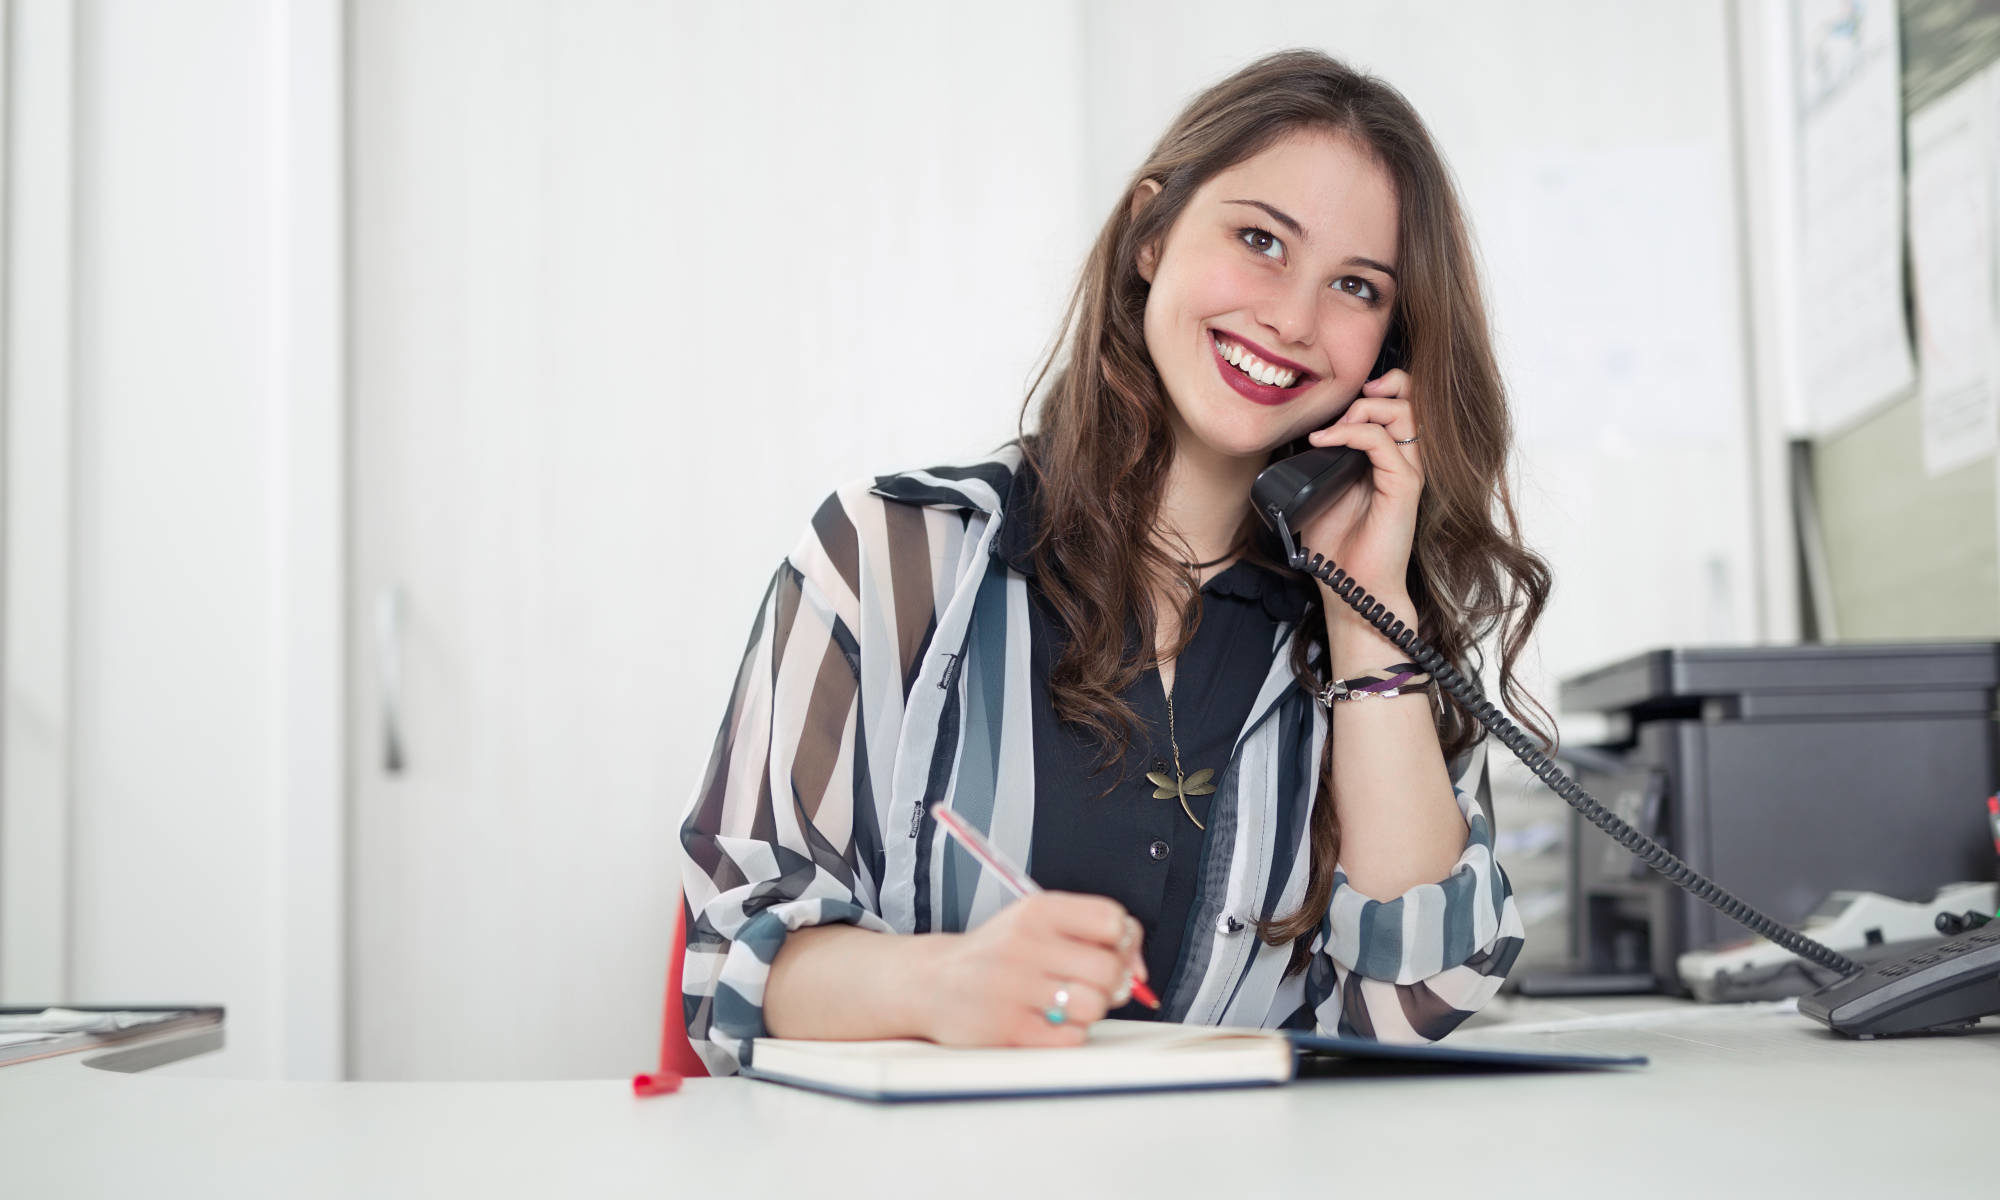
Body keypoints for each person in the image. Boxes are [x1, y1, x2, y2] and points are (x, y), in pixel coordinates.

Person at [676, 48, 1553, 1076]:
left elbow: (1415, 1002)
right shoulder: (885, 555)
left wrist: (1364, 616)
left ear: (1388, 353)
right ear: (1151, 234)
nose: (1290, 319)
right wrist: (941, 985)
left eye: (1354, 287)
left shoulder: (1377, 625)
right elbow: (733, 961)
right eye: (1259, 239)